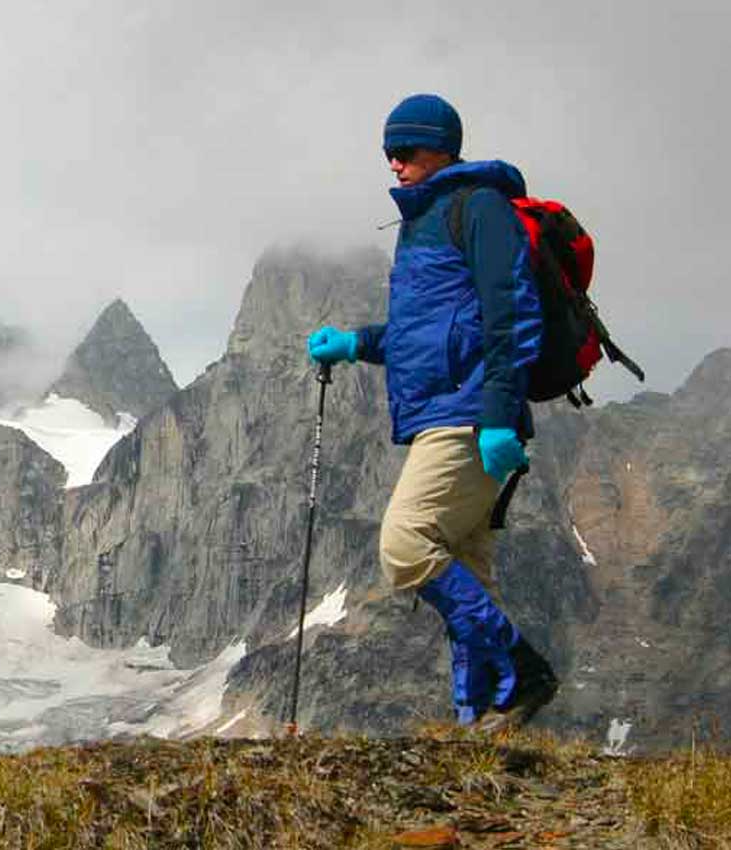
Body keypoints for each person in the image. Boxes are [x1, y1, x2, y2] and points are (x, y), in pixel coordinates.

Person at [308, 93, 558, 730]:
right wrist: (356, 343)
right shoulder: (425, 224)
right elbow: (424, 335)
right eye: (388, 152)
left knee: (406, 545)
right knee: (467, 567)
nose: (393, 163)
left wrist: (501, 412)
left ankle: (524, 672)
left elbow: (511, 314)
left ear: (440, 146)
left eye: (405, 150)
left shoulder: (481, 209)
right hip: (445, 413)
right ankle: (482, 720)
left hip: (470, 415)